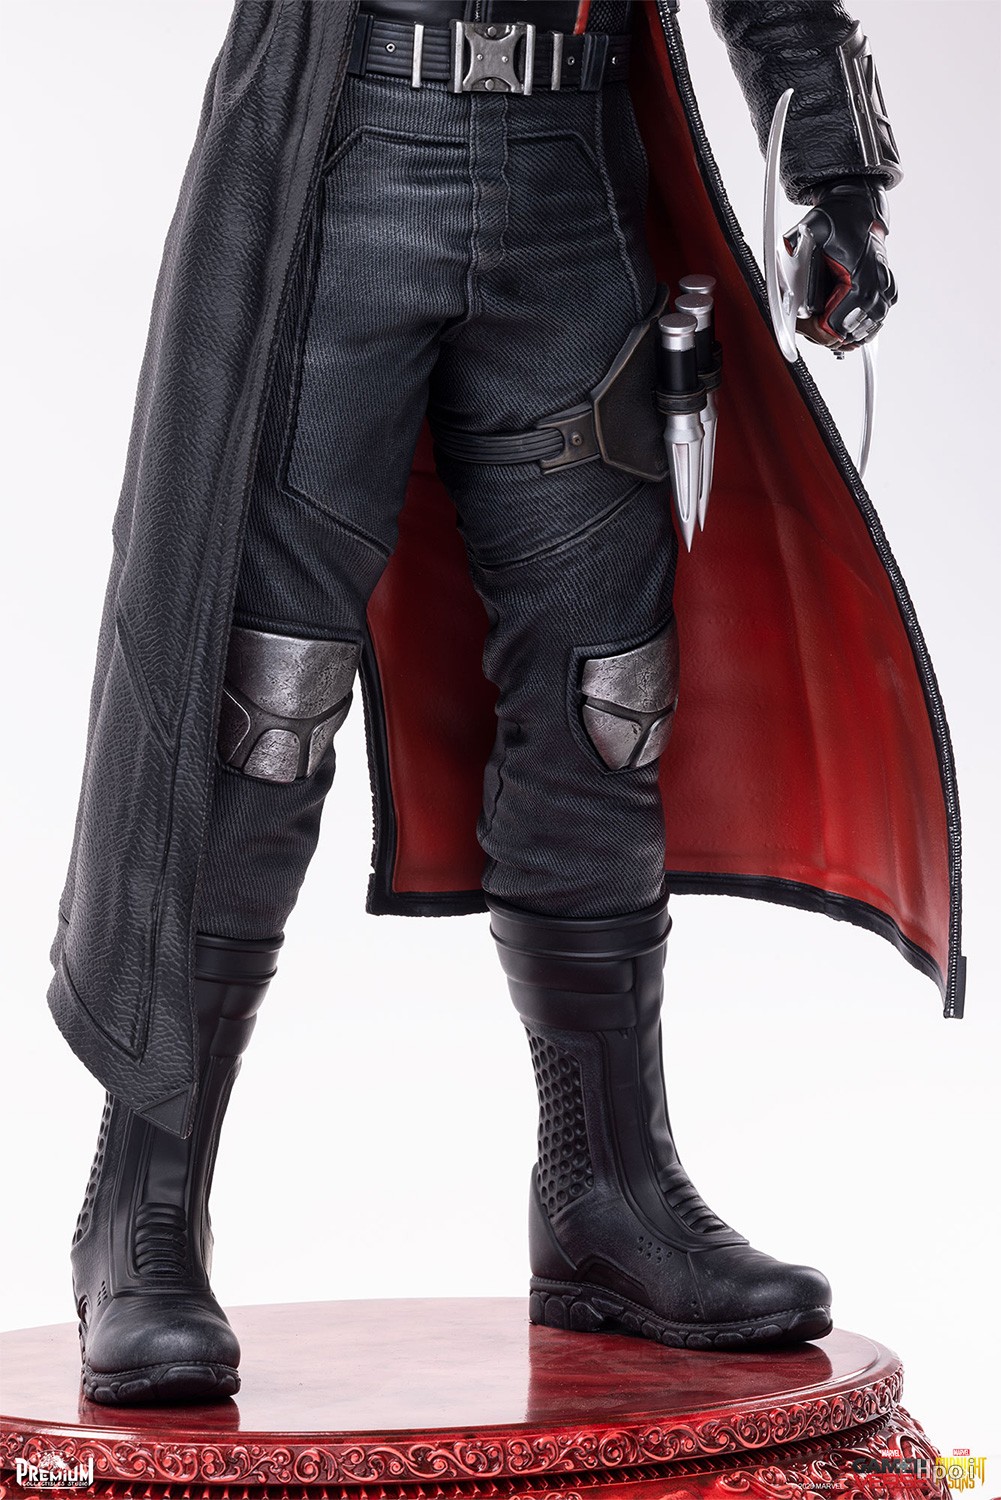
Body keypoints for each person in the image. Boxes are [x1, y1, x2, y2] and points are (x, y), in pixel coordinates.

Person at [54, 0, 961, 1408]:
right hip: (350, 154)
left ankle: (608, 1193)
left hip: (569, 176)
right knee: (263, 705)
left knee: (609, 695)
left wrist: (838, 173)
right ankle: (144, 1205)